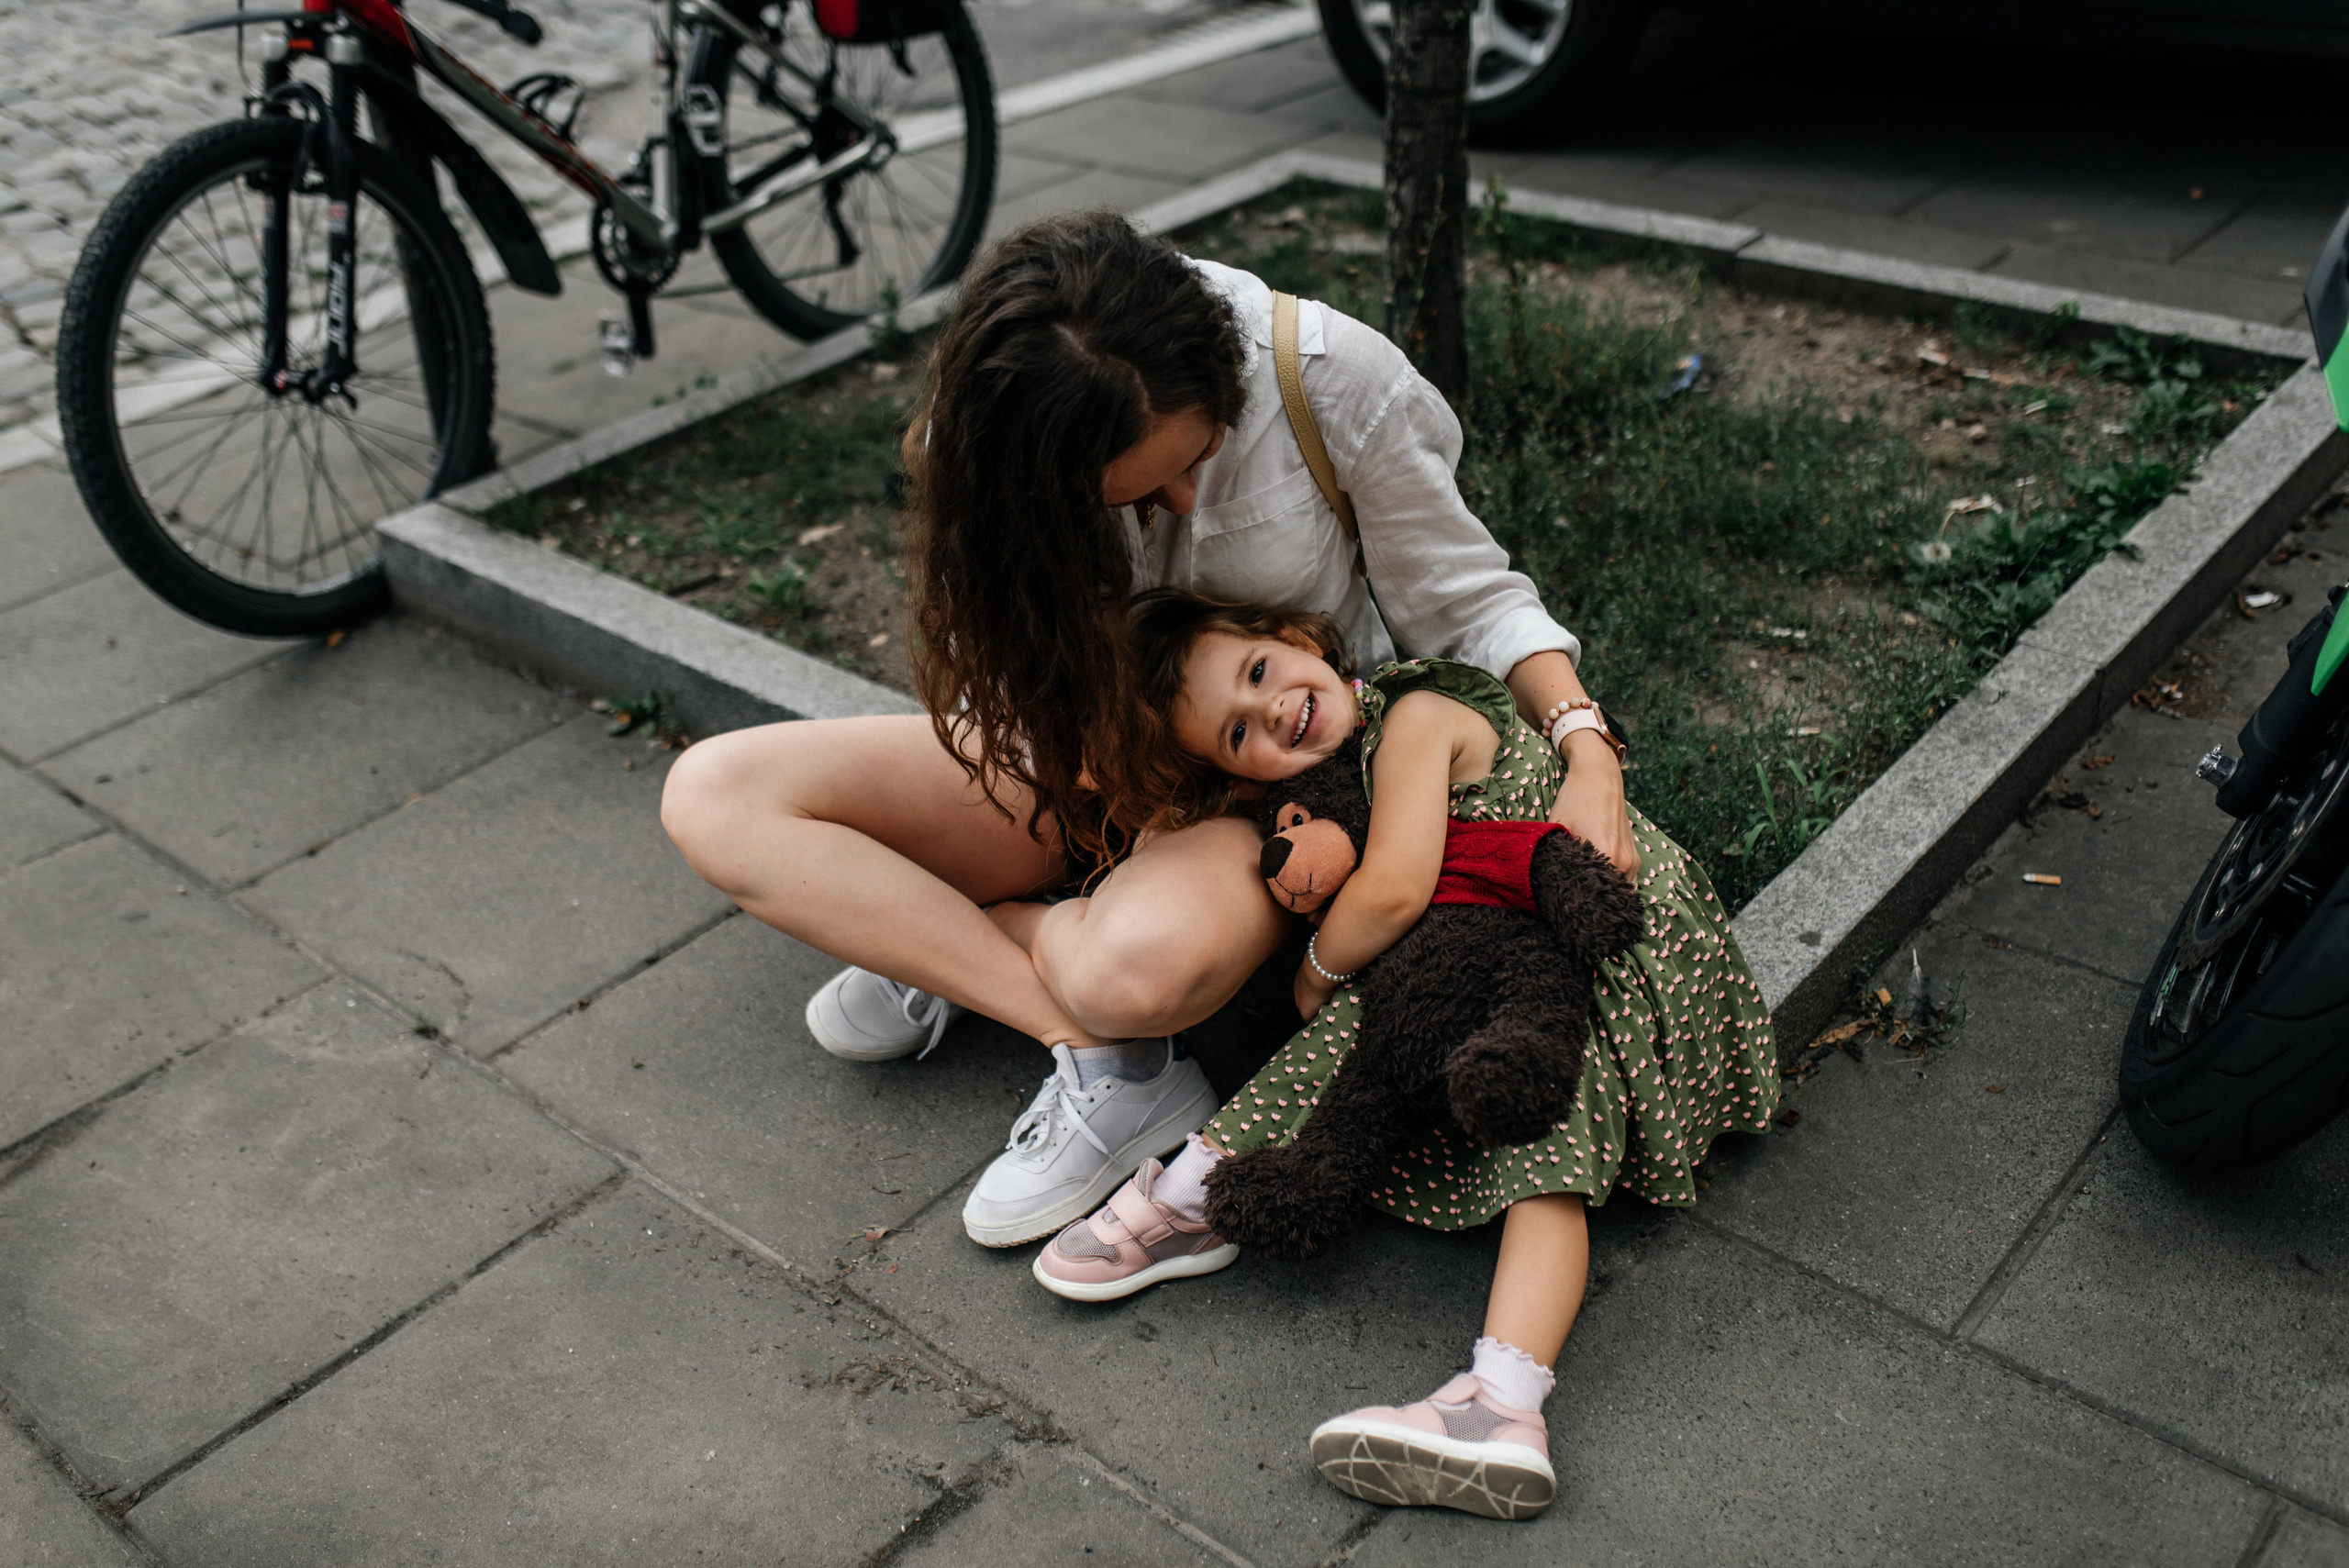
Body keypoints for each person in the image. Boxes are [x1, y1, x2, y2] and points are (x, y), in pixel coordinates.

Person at [659, 210, 1633, 1252]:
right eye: (1130, 491)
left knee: (1129, 972)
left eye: (1200, 455)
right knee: (715, 795)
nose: (1179, 500)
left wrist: (1585, 745)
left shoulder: (1328, 376)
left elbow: (1466, 601)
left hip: (1267, 790)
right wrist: (1087, 769)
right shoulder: (998, 433)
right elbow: (1006, 655)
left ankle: (995, 950)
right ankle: (1092, 1050)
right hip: (1082, 763)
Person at [1029, 594, 1777, 1521]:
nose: (1271, 710)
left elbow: (1391, 892)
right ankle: (1206, 1194)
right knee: (1407, 1019)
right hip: (1494, 940)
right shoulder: (1337, 774)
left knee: (1527, 1107)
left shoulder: (1418, 712)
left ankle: (1501, 1401)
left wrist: (1314, 971)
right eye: (1237, 732)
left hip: (1597, 938)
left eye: (1259, 672)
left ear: (1297, 637)